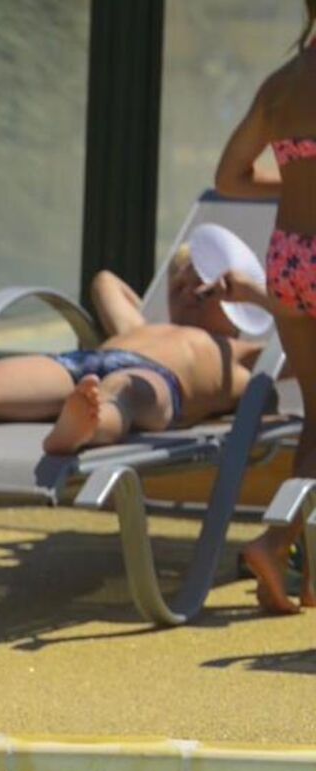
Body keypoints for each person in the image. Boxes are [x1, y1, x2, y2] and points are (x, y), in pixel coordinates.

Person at [0, 251, 268, 455]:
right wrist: (158, 308)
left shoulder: (242, 354)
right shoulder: (137, 328)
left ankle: (84, 427)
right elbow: (105, 281)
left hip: (158, 381)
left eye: (204, 286)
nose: (190, 291)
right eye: (179, 286)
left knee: (120, 392)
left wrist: (255, 295)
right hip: (82, 365)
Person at [210, 0, 316, 614]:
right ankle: (276, 540)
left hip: (291, 261)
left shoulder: (281, 85)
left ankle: (303, 566)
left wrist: (299, 182)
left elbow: (230, 177)